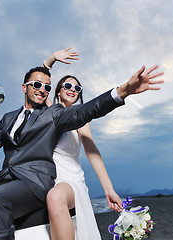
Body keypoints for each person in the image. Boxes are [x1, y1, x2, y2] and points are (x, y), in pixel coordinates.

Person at [0, 49, 164, 240]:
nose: (42, 89)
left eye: (46, 87)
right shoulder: (8, 118)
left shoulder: (56, 114)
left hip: (38, 182)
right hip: (7, 182)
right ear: (24, 87)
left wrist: (124, 91)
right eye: (37, 85)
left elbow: (88, 112)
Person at [43, 49, 122, 240]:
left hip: (70, 180)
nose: (73, 89)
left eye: (77, 89)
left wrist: (109, 189)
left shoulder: (81, 119)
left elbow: (92, 152)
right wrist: (51, 60)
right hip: (47, 179)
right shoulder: (48, 111)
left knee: (56, 197)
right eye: (68, 85)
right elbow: (41, 81)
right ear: (58, 90)